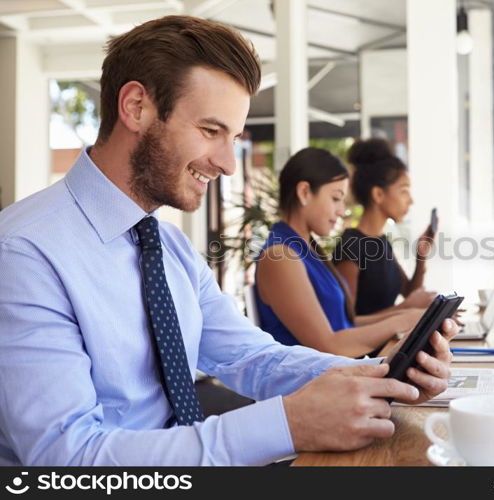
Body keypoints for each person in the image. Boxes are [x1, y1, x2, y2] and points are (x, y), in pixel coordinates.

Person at [0, 16, 456, 466]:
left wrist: (383, 375)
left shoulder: (168, 249)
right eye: (210, 131)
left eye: (233, 137)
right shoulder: (24, 253)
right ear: (136, 106)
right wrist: (290, 425)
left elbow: (252, 358)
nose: (228, 163)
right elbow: (66, 460)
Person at [255, 147, 424, 358]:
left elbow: (345, 323)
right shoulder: (280, 257)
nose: (341, 211)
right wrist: (403, 320)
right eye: (335, 198)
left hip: (338, 377)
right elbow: (329, 344)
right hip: (313, 386)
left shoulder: (306, 249)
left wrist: (410, 315)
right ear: (304, 193)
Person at [334, 138, 436, 315]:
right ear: (378, 194)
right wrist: (407, 309)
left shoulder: (381, 242)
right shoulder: (351, 247)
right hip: (368, 343)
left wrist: (421, 257)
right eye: (404, 191)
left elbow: (410, 294)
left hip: (391, 341)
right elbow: (347, 321)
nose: (410, 201)